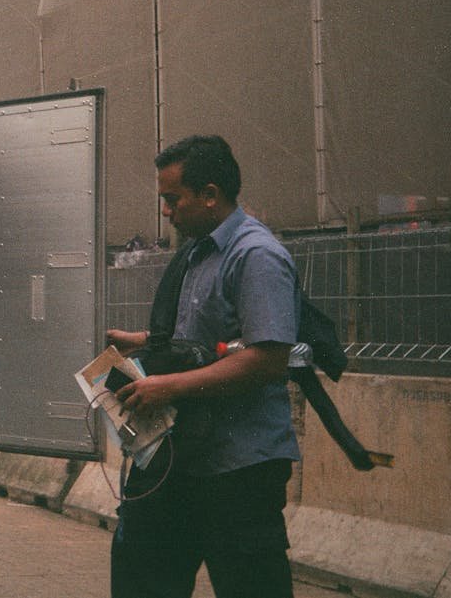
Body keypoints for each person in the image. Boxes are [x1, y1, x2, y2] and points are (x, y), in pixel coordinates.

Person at [104, 135, 300, 598]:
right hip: (184, 462)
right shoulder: (197, 252)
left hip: (239, 471)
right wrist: (142, 343)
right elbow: (202, 340)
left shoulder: (256, 255)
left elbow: (267, 358)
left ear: (210, 195)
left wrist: (169, 387)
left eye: (173, 199)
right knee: (143, 577)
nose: (166, 212)